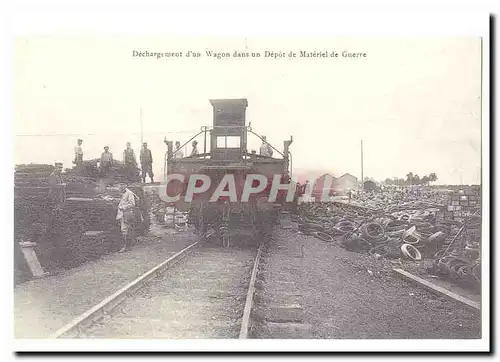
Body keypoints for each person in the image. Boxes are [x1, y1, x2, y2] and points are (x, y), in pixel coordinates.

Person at [116, 184, 138, 252]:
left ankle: (126, 247)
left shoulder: (129, 193)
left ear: (124, 186)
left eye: (121, 187)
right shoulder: (123, 193)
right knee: (124, 230)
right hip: (121, 214)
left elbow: (132, 204)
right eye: (119, 187)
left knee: (125, 230)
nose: (119, 188)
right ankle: (127, 246)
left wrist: (123, 207)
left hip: (126, 213)